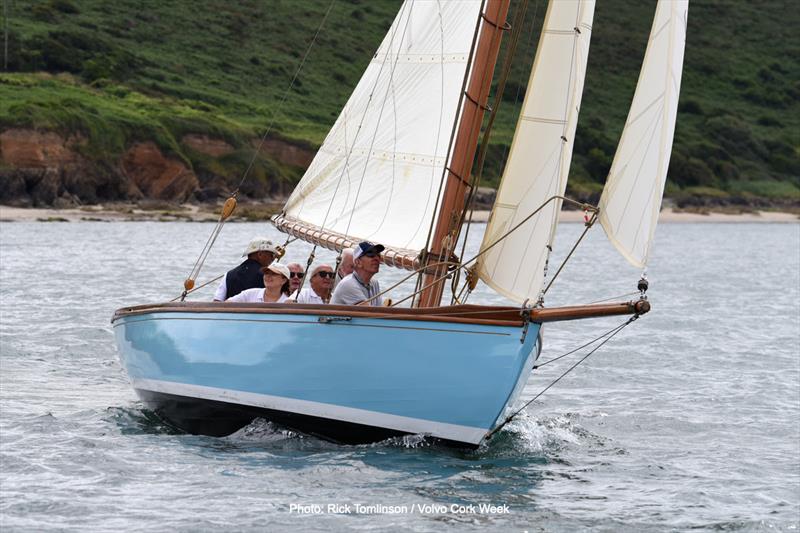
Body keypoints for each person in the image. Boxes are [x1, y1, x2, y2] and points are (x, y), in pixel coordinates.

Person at [331, 241, 384, 306]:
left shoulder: (374, 283)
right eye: (371, 255)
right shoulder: (348, 284)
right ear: (358, 262)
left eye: (378, 255)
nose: (376, 258)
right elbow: (369, 313)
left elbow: (378, 310)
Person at [225, 262, 291, 303]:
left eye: (273, 274)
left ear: (284, 280)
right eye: (266, 273)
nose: (268, 276)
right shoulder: (249, 294)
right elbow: (226, 304)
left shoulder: (287, 302)